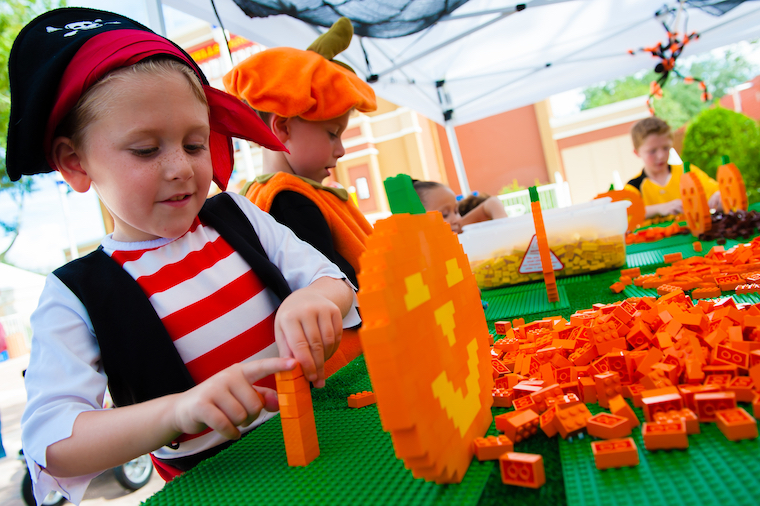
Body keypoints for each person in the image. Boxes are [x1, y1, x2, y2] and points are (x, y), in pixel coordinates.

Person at [10, 9, 359, 505]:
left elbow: (334, 280)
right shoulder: (76, 293)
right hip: (217, 487)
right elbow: (53, 442)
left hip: (328, 441)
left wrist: (315, 300)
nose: (181, 169)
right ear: (75, 161)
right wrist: (176, 412)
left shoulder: (238, 216)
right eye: (147, 150)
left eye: (195, 144)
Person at [223, 17, 376, 290]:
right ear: (282, 128)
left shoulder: (264, 197)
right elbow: (341, 282)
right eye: (332, 134)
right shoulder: (290, 200)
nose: (340, 150)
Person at [625, 116, 721, 218]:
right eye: (652, 151)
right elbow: (626, 213)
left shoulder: (687, 173)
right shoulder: (634, 187)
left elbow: (716, 192)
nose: (661, 155)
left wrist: (717, 198)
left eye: (666, 148)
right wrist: (659, 208)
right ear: (637, 152)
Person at [413, 181, 507, 234]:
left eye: (456, 211)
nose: (456, 220)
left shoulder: (456, 229)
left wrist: (504, 228)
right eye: (444, 215)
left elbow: (492, 202)